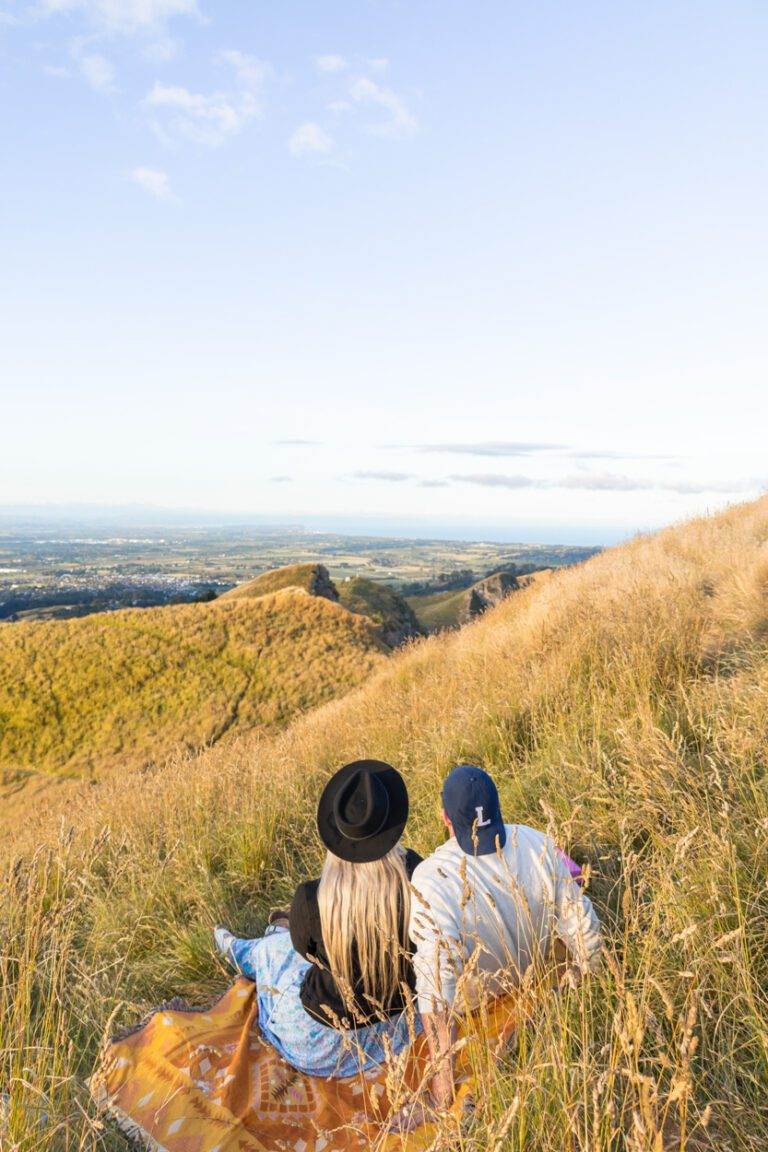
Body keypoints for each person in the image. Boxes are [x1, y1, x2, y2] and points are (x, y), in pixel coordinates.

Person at [408, 764, 602, 1114]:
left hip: (478, 1000)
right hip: (536, 968)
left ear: (444, 818)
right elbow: (582, 921)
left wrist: (441, 1090)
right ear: (498, 807)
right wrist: (590, 985)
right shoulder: (536, 842)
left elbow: (436, 988)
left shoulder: (430, 880)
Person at [214, 759, 423, 1078]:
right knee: (286, 948)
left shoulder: (313, 899)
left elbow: (305, 954)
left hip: (324, 1046)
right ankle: (267, 936)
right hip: (400, 1028)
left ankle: (246, 949)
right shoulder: (417, 876)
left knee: (276, 952)